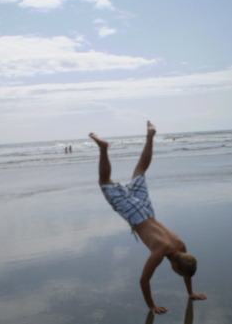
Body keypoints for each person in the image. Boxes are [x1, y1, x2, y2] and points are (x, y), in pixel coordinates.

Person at [89, 121, 207, 314]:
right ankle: (103, 149)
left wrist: (190, 292)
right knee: (105, 181)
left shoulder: (180, 244)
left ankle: (150, 136)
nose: (176, 272)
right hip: (134, 214)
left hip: (147, 209)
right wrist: (151, 306)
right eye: (177, 271)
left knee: (140, 171)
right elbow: (144, 280)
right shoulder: (160, 252)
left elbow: (187, 270)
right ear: (174, 266)